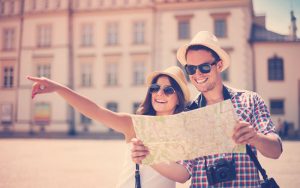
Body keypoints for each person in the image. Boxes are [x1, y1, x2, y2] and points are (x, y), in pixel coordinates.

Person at [131, 31, 283, 187]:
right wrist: (149, 155)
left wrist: (254, 137)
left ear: (219, 65)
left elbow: (276, 150)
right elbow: (183, 174)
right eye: (191, 69)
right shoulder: (187, 114)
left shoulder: (250, 100)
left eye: (204, 67)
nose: (197, 74)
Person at [27, 66, 191, 188]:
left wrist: (149, 156)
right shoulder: (136, 124)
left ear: (179, 98)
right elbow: (96, 111)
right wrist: (58, 88)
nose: (159, 94)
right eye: (155, 88)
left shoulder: (182, 131)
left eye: (168, 90)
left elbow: (183, 176)